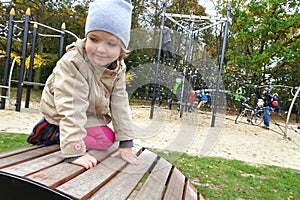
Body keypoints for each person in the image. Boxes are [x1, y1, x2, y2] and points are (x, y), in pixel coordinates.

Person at [27, 0, 139, 169]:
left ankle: (62, 134)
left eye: (111, 43)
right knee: (100, 138)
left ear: (122, 49)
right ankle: (51, 130)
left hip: (88, 112)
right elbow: (72, 107)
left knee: (107, 139)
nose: (101, 49)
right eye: (94, 39)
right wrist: (75, 150)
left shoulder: (118, 68)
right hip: (62, 111)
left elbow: (120, 104)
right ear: (86, 37)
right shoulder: (74, 63)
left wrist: (126, 143)